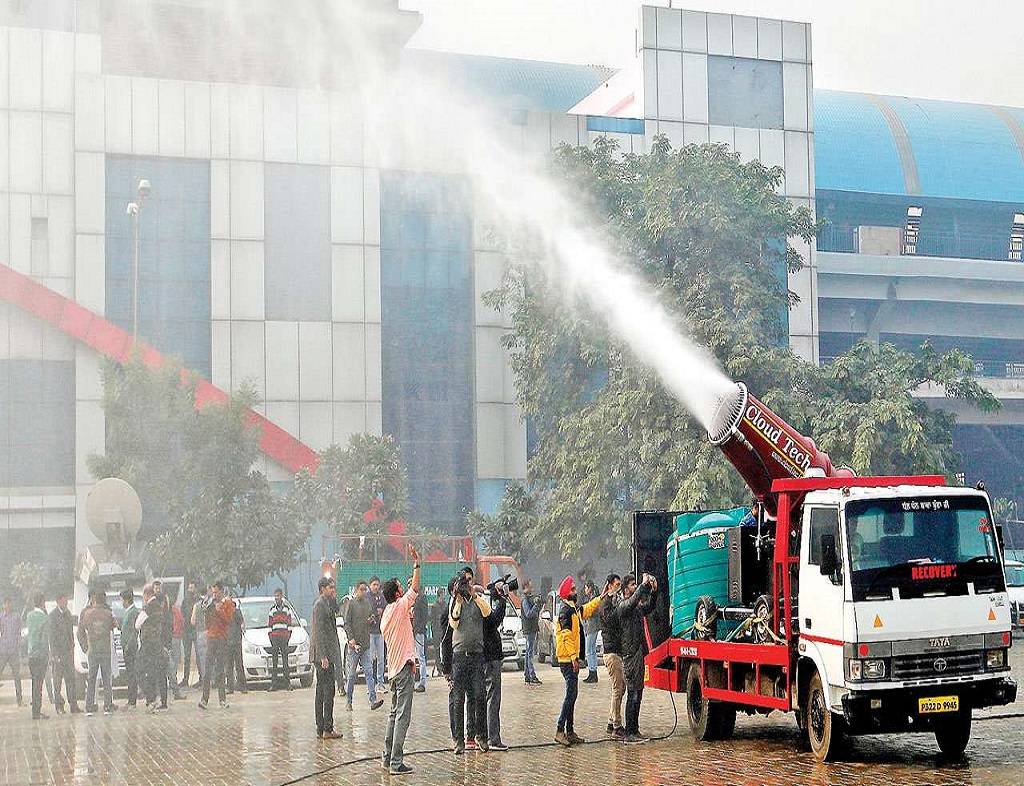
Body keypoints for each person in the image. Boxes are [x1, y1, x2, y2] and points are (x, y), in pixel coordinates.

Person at [379, 548, 422, 776]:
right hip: (403, 670)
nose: (403, 589)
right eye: (400, 587)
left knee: (394, 714)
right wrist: (416, 562)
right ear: (397, 594)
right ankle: (396, 762)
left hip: (393, 670)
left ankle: (387, 758)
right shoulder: (399, 607)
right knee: (403, 715)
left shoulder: (387, 613)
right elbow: (414, 589)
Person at [553, 575, 603, 746]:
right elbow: (566, 636)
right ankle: (560, 730)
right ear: (567, 593)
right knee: (570, 695)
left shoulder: (573, 608)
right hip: (567, 660)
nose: (576, 591)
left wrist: (600, 598)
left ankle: (570, 731)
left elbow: (587, 609)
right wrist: (574, 658)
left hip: (571, 658)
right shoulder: (565, 611)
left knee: (572, 696)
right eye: (573, 589)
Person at [448, 569, 491, 754]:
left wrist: (474, 595)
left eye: (468, 582)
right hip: (459, 656)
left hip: (476, 656)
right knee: (459, 699)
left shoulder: (478, 600)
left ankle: (481, 736)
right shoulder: (454, 601)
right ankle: (459, 740)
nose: (467, 586)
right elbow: (454, 623)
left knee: (480, 696)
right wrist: (458, 601)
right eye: (464, 583)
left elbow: (487, 612)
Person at [618, 574, 658, 744]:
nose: (635, 587)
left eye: (636, 584)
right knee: (632, 692)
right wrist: (642, 585)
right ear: (626, 588)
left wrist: (654, 591)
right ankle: (629, 732)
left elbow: (648, 607)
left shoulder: (636, 608)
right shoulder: (623, 606)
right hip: (630, 654)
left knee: (639, 692)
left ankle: (635, 729)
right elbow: (633, 601)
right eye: (633, 584)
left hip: (639, 652)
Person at [309, 576, 343, 739]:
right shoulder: (319, 605)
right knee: (326, 691)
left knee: (324, 691)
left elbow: (337, 611)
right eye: (330, 587)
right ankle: (326, 728)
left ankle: (322, 728)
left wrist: (335, 599)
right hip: (323, 655)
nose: (332, 590)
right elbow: (319, 632)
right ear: (322, 588)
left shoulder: (327, 603)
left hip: (327, 653)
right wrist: (323, 656)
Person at [344, 580, 383, 711]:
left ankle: (373, 700)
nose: (363, 591)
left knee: (369, 673)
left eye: (365, 589)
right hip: (355, 646)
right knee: (351, 675)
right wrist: (351, 639)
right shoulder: (351, 604)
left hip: (366, 645)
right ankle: (349, 701)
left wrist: (372, 619)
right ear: (356, 590)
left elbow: (371, 618)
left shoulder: (367, 603)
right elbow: (347, 623)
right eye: (361, 589)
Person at [78, 588, 117, 716]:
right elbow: (114, 626)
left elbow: (80, 632)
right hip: (105, 650)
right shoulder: (108, 613)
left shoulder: (87, 614)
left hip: (93, 650)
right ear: (104, 599)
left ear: (94, 599)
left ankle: (89, 706)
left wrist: (85, 647)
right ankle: (107, 705)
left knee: (91, 678)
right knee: (106, 678)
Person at [481, 579, 510, 751]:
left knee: (489, 696)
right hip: (490, 656)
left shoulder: (483, 603)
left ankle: (487, 736)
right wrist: (503, 599)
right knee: (493, 697)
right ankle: (493, 738)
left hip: (489, 656)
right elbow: (494, 620)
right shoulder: (483, 605)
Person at [198, 582, 234, 710]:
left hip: (222, 639)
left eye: (216, 592)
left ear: (221, 591)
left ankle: (222, 699)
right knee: (207, 669)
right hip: (211, 638)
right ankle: (204, 699)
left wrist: (219, 610)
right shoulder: (211, 603)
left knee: (220, 670)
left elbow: (229, 619)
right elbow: (206, 618)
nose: (214, 595)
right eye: (213, 592)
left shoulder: (228, 603)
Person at [598, 573, 625, 738]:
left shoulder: (611, 602)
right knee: (618, 689)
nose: (618, 587)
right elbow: (609, 620)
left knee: (620, 689)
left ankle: (611, 720)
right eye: (616, 584)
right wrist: (618, 606)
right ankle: (617, 724)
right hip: (611, 651)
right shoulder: (606, 603)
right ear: (609, 585)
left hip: (617, 650)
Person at [48, 592, 80, 714]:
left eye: (66, 600)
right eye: (64, 600)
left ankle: (73, 704)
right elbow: (52, 637)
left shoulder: (67, 614)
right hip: (58, 654)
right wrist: (54, 654)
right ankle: (59, 706)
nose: (66, 602)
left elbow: (70, 632)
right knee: (57, 682)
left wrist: (72, 646)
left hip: (68, 652)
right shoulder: (53, 616)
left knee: (71, 679)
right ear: (58, 601)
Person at [137, 584, 167, 711]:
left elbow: (137, 624)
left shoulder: (148, 607)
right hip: (158, 643)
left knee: (143, 670)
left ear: (146, 595)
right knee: (159, 671)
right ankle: (163, 701)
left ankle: (150, 700)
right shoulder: (159, 607)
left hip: (148, 643)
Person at [25, 593, 49, 720]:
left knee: (34, 682)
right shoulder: (44, 618)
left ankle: (35, 710)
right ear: (42, 602)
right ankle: (36, 711)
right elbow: (45, 639)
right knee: (39, 684)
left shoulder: (29, 616)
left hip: (31, 654)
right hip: (40, 655)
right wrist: (47, 654)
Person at [267, 589, 296, 690]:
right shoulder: (272, 610)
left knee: (285, 661)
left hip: (284, 638)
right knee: (274, 662)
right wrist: (271, 637)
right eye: (275, 596)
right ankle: (273, 684)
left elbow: (289, 624)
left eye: (278, 596)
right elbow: (270, 625)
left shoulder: (287, 609)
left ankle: (287, 684)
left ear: (281, 596)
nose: (276, 598)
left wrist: (287, 636)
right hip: (275, 638)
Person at [0, 597, 23, 706]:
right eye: (6, 604)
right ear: (3, 605)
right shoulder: (1, 617)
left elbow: (19, 631)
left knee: (17, 675)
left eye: (10, 604)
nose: (8, 606)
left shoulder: (16, 617)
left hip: (13, 650)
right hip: (3, 649)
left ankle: (19, 699)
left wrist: (19, 643)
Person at [120, 589, 140, 709]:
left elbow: (134, 631)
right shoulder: (128, 612)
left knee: (132, 674)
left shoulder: (133, 612)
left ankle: (132, 700)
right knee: (129, 674)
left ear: (127, 600)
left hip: (130, 648)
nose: (121, 602)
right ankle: (130, 699)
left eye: (122, 600)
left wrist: (128, 645)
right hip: (126, 647)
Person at [520, 581, 542, 686]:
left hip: (531, 629)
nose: (532, 588)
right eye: (530, 586)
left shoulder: (529, 599)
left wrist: (538, 604)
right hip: (529, 629)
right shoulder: (525, 600)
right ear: (525, 588)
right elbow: (528, 614)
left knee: (528, 652)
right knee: (530, 653)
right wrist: (536, 606)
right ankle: (532, 675)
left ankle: (527, 675)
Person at [179, 581, 200, 688]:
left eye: (192, 588)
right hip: (186, 631)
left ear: (195, 589)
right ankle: (185, 679)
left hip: (196, 631)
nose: (190, 590)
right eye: (189, 588)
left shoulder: (199, 601)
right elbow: (182, 614)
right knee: (187, 657)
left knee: (199, 655)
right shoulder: (185, 601)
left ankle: (202, 678)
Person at [367, 576, 387, 690]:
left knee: (381, 658)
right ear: (370, 585)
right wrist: (375, 611)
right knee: (370, 659)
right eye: (373, 584)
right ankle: (371, 684)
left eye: (377, 585)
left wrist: (381, 611)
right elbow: (368, 611)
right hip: (370, 632)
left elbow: (385, 608)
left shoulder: (382, 597)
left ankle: (380, 682)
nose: (375, 587)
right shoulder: (367, 597)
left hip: (380, 632)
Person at [226, 594, 247, 694]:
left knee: (239, 665)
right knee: (229, 666)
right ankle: (230, 687)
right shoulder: (224, 613)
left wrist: (243, 627)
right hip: (227, 642)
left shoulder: (237, 612)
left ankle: (242, 686)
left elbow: (242, 623)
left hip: (236, 642)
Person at [411, 580, 429, 694]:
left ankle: (422, 682)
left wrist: (418, 628)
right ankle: (412, 682)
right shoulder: (410, 599)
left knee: (421, 657)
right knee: (411, 657)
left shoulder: (421, 598)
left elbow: (424, 616)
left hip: (419, 631)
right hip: (411, 631)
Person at [581, 581, 600, 684]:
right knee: (592, 650)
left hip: (592, 626)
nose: (585, 590)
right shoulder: (590, 598)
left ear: (589, 588)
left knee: (589, 650)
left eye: (586, 588)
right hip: (590, 626)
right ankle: (593, 671)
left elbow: (590, 612)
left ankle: (592, 671)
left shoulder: (593, 599)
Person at [167, 596, 186, 701]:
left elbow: (180, 621)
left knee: (172, 664)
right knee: (172, 663)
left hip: (173, 638)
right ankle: (174, 687)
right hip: (174, 638)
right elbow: (181, 621)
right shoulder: (174, 610)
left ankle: (173, 686)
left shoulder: (172, 610)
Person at [430, 588, 448, 677]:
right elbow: (432, 620)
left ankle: (445, 667)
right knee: (437, 650)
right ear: (440, 594)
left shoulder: (445, 605)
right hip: (437, 631)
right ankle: (439, 669)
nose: (444, 595)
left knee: (445, 649)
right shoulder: (434, 606)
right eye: (443, 593)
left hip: (444, 630)